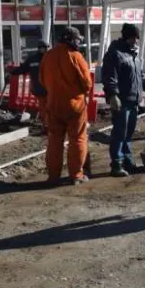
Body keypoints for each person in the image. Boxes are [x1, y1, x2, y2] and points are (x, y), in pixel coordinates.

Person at [39, 28, 92, 185]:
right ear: (72, 39)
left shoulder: (48, 56)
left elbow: (42, 80)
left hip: (53, 105)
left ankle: (53, 176)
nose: (79, 42)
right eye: (78, 40)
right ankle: (76, 175)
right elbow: (87, 84)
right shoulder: (76, 56)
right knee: (77, 140)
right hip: (75, 106)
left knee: (55, 140)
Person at [102, 23, 145, 177]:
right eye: (134, 38)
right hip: (122, 101)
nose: (136, 41)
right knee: (119, 133)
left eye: (137, 38)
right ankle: (116, 164)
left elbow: (139, 76)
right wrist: (113, 95)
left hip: (133, 100)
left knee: (128, 134)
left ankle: (128, 162)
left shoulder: (133, 55)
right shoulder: (115, 54)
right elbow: (109, 77)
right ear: (126, 37)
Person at [11, 41, 49, 129]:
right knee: (44, 108)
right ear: (39, 48)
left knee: (49, 107)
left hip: (48, 88)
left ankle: (49, 125)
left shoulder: (50, 58)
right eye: (44, 47)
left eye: (47, 47)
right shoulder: (34, 59)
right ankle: (46, 125)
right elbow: (23, 68)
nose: (46, 49)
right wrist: (12, 72)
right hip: (41, 88)